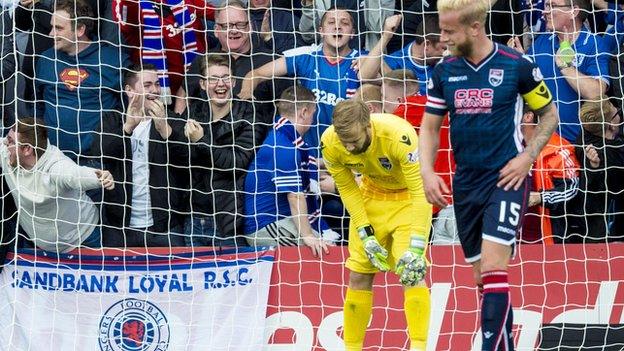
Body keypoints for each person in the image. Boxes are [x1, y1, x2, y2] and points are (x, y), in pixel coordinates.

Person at [419, 0, 559, 349]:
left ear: (474, 28)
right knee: (484, 279)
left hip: (506, 179)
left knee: (496, 268)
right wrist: (425, 171)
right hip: (467, 184)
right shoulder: (444, 72)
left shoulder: (517, 66)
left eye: (449, 31)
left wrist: (527, 157)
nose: (442, 38)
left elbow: (550, 115)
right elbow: (430, 127)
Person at [321, 100, 432, 351]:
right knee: (358, 274)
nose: (349, 147)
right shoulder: (330, 142)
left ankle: (419, 347)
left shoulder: (399, 136)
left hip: (408, 200)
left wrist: (416, 248)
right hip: (370, 197)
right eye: (344, 140)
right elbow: (348, 188)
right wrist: (364, 231)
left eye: (354, 140)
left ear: (367, 124)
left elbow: (419, 190)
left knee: (412, 273)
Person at [90, 63, 189, 247]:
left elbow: (188, 161)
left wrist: (165, 130)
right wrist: (127, 128)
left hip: (165, 228)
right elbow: (99, 153)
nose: (155, 90)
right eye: (148, 85)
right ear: (129, 90)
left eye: (158, 84)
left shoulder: (172, 120)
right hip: (119, 228)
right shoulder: (112, 120)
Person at [239, 6, 363, 149]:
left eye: (344, 23)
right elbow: (256, 74)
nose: (338, 27)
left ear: (353, 33)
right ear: (320, 30)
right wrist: (246, 92)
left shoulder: (363, 60)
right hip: (306, 151)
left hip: (345, 150)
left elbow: (389, 78)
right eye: (331, 22)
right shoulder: (306, 55)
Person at [183, 54, 271, 248]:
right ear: (203, 84)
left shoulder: (250, 114)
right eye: (213, 79)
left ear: (233, 82)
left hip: (230, 221)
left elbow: (237, 162)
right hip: (194, 218)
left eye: (225, 78)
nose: (220, 84)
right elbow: (180, 158)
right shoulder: (194, 112)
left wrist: (201, 141)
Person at [244, 86, 338, 256]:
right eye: (313, 112)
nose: (313, 117)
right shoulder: (283, 146)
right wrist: (308, 235)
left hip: (284, 220)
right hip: (267, 226)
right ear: (304, 112)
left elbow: (308, 173)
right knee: (323, 250)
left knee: (326, 247)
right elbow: (295, 196)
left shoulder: (287, 139)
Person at [0, 117, 114, 253]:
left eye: (11, 141)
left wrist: (99, 178)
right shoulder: (7, 154)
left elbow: (75, 174)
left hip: (84, 238)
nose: (5, 143)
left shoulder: (55, 166)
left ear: (27, 149)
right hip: (38, 243)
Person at [35, 0, 129, 160]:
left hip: (97, 164)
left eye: (58, 28)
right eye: (52, 26)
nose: (51, 34)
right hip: (53, 162)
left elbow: (127, 109)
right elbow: (36, 106)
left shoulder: (114, 61)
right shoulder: (45, 60)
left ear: (80, 29)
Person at [508, 0, 609, 143]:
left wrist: (565, 67)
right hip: (543, 144)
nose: (544, 12)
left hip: (579, 146)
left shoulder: (594, 44)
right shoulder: (542, 41)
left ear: (573, 11)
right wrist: (521, 60)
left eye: (552, 6)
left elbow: (597, 93)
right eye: (546, 6)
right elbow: (527, 83)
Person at [383, 69, 457, 244]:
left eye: (383, 97)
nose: (383, 105)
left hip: (430, 204)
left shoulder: (402, 112)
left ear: (400, 100)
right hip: (454, 198)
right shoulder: (437, 107)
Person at [521, 104, 580, 244]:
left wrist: (541, 197)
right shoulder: (511, 147)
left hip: (547, 243)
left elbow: (572, 189)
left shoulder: (559, 150)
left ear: (528, 116)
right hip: (509, 241)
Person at [573, 99, 624, 242]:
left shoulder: (587, 133)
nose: (620, 113)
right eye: (618, 113)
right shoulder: (610, 157)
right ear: (611, 125)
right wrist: (594, 167)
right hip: (602, 228)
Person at [359, 14, 446, 96]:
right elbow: (365, 77)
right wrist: (386, 36)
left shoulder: (447, 64)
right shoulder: (395, 61)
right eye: (444, 48)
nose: (447, 53)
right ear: (426, 45)